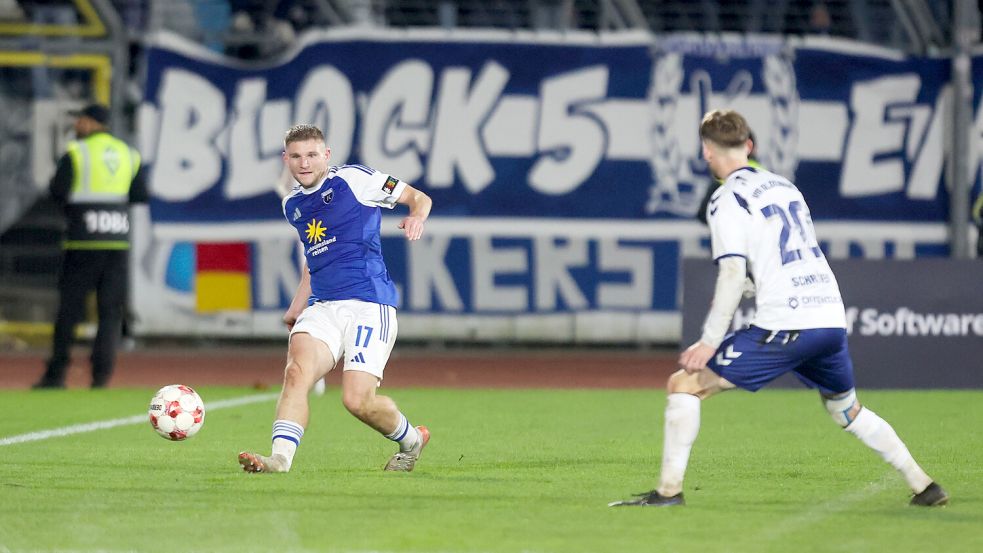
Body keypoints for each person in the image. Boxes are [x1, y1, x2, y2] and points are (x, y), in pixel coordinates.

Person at [610, 109, 948, 508]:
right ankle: (924, 486)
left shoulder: (726, 198)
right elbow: (786, 255)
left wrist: (707, 342)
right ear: (749, 146)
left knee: (683, 385)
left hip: (788, 321)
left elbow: (733, 273)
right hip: (829, 314)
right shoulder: (784, 186)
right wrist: (760, 281)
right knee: (846, 409)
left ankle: (668, 493)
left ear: (706, 152)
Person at [238, 124, 433, 473]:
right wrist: (298, 305)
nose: (304, 163)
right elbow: (315, 260)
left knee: (357, 401)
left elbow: (419, 197)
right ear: (286, 160)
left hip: (369, 304)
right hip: (323, 306)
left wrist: (416, 217)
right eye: (296, 156)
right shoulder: (293, 205)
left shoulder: (357, 180)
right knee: (296, 373)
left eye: (312, 154)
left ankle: (411, 441)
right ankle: (280, 459)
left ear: (326, 155)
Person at [33, 104, 147, 389]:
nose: (77, 125)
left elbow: (57, 191)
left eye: (80, 120)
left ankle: (56, 374)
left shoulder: (76, 152)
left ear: (90, 122)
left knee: (70, 310)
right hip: (117, 243)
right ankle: (101, 376)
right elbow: (140, 195)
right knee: (110, 311)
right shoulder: (129, 154)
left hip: (82, 242)